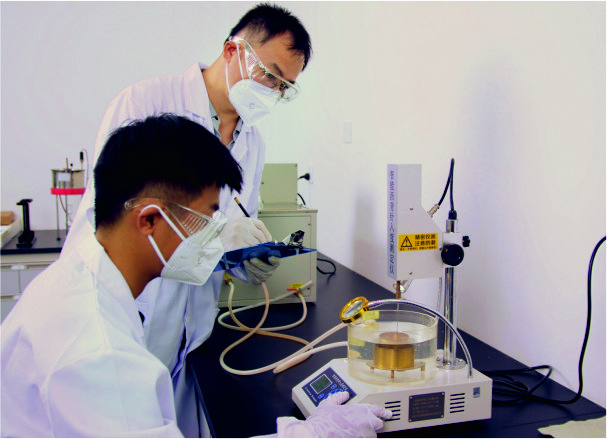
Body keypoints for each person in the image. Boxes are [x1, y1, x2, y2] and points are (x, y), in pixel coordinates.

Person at [1, 114, 392, 437]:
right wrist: (314, 435)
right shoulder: (100, 353)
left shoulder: (76, 282)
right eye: (207, 217)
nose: (216, 233)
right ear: (149, 219)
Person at [62, 3, 313, 436]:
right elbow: (118, 215)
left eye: (284, 87)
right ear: (233, 51)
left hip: (190, 324)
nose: (273, 91)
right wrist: (218, 236)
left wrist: (244, 258)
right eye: (269, 75)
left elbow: (233, 223)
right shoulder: (146, 104)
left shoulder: (252, 141)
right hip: (129, 308)